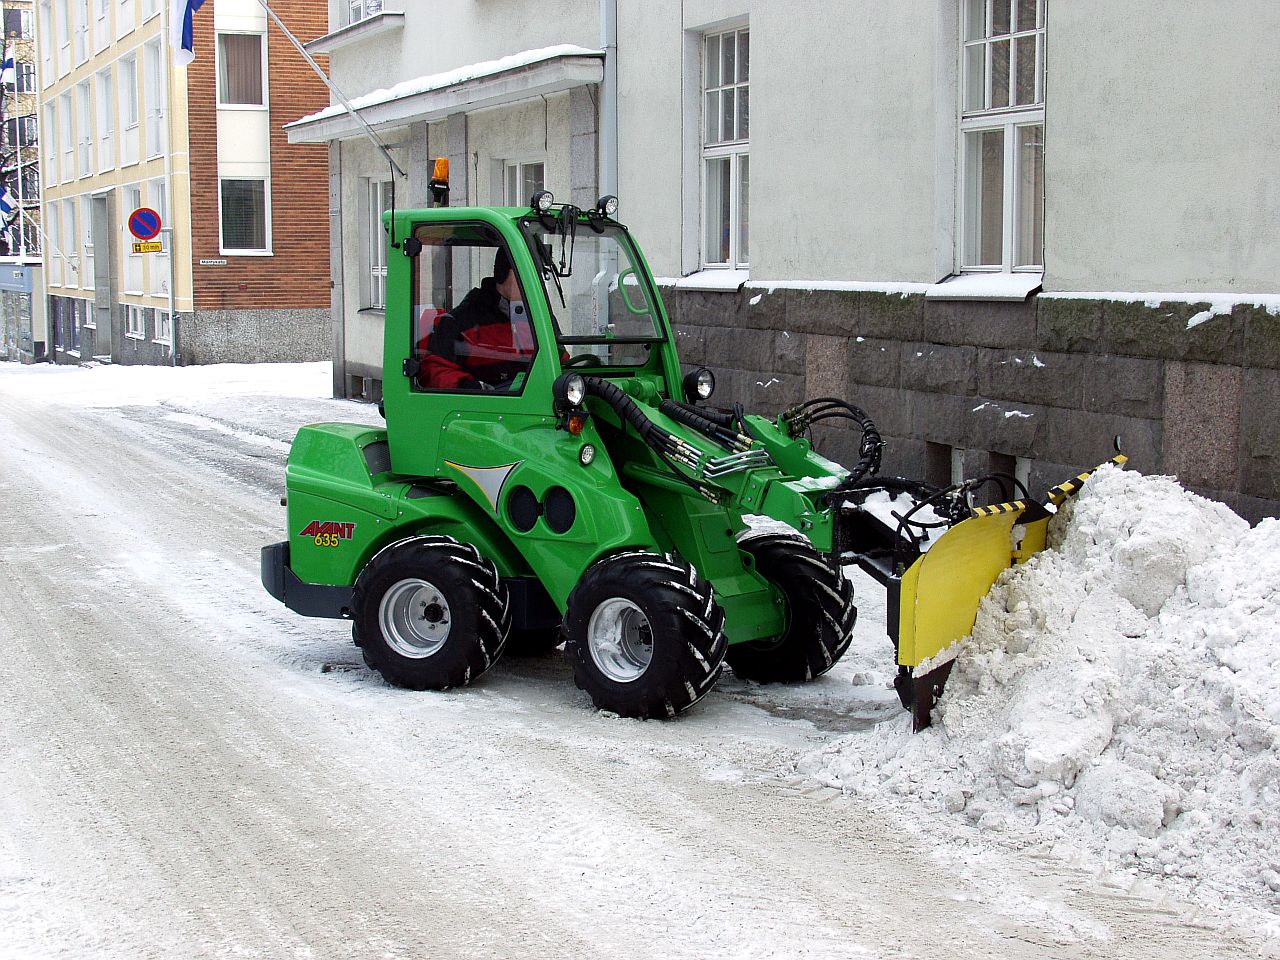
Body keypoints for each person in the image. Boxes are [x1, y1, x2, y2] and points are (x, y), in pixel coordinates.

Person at [421, 248, 536, 390]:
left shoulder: (538, 319)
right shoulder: (461, 321)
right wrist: (469, 386)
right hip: (486, 407)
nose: (532, 283)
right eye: (525, 274)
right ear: (502, 273)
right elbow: (434, 371)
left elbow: (559, 362)